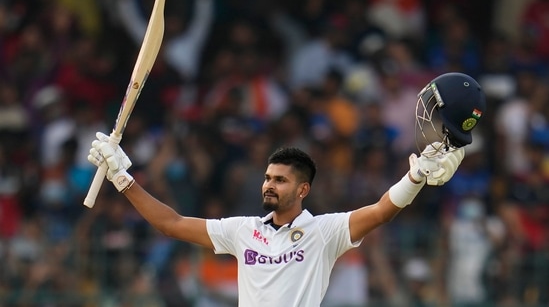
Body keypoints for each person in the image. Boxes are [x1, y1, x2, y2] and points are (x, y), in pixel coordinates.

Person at [86, 72, 485, 306]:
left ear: (303, 189)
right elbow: (171, 223)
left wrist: (414, 179)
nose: (269, 185)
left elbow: (382, 211)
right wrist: (123, 177)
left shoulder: (324, 233)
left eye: (280, 180)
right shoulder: (243, 231)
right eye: (267, 177)